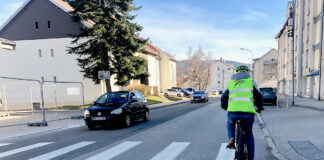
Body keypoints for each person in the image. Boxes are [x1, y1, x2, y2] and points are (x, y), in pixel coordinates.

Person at [221, 65, 264, 160]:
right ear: (247, 73)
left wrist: (225, 107)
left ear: (237, 73)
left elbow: (223, 97)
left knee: (230, 123)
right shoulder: (251, 82)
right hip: (248, 113)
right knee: (249, 134)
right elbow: (259, 97)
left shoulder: (232, 83)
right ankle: (251, 158)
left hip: (233, 112)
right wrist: (260, 108)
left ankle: (231, 138)